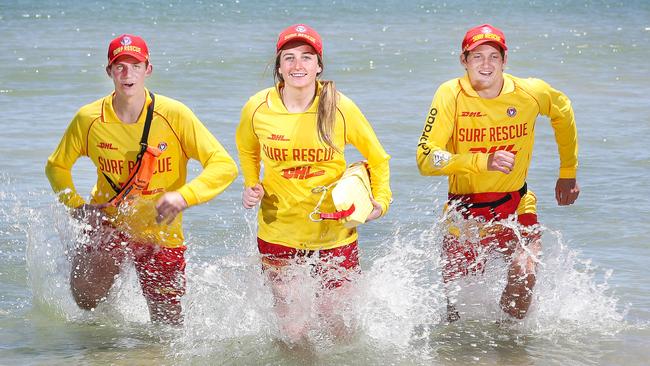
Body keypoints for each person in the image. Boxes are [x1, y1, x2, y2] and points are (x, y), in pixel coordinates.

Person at [45, 34, 238, 325]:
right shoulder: (89, 119)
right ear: (109, 72)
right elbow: (56, 166)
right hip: (111, 222)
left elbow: (224, 165)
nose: (127, 73)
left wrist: (184, 196)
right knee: (85, 298)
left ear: (148, 69)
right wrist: (76, 205)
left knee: (166, 323)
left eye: (135, 65)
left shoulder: (174, 115)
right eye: (119, 66)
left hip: (161, 232)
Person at [236, 24, 392, 340]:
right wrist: (252, 183)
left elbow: (378, 157)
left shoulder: (339, 106)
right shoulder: (258, 107)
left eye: (307, 57)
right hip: (279, 230)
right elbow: (247, 146)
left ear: (319, 65)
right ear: (278, 66)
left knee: (337, 322)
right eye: (289, 58)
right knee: (292, 328)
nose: (298, 66)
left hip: (334, 232)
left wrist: (381, 201)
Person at [416, 24, 579, 321]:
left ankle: (510, 348)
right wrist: (482, 162)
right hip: (464, 211)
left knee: (524, 273)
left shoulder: (530, 92)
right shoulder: (450, 94)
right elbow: (426, 157)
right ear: (463, 60)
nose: (486, 64)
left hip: (515, 203)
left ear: (505, 60)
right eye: (477, 56)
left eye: (494, 56)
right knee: (456, 313)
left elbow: (563, 111)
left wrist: (568, 170)